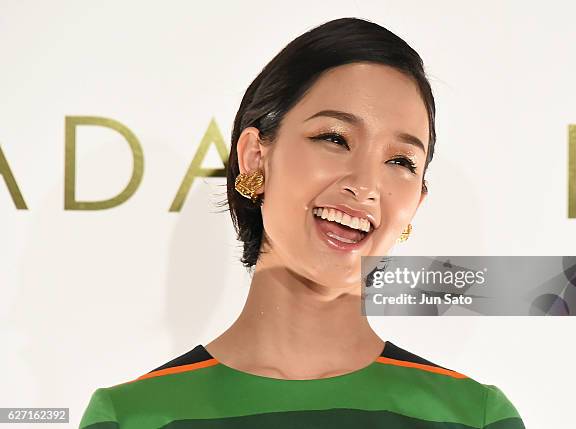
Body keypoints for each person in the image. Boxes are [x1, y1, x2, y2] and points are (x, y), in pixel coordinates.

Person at [79, 17, 525, 429]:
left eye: (400, 161)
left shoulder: (474, 418)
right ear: (256, 155)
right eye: (334, 138)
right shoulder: (130, 418)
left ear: (417, 202)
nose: (366, 185)